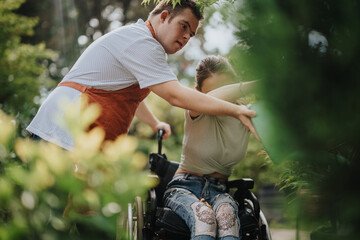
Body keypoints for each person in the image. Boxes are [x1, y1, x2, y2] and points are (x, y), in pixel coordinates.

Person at [26, 0, 257, 151]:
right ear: (164, 16)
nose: (187, 37)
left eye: (192, 34)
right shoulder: (142, 42)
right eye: (184, 26)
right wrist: (236, 109)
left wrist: (154, 122)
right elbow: (175, 96)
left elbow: (130, 97)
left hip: (74, 138)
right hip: (61, 133)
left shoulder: (141, 42)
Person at [163, 55, 257, 240]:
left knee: (228, 219)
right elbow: (210, 100)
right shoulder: (194, 106)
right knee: (204, 219)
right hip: (184, 187)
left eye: (227, 89)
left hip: (220, 191)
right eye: (215, 92)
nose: (220, 100)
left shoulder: (249, 114)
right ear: (198, 92)